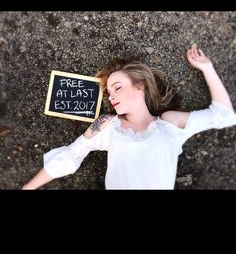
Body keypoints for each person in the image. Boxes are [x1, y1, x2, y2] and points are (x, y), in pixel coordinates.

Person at [22, 46, 236, 190]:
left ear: (139, 86)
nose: (112, 96)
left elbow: (224, 115)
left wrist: (207, 68)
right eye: (109, 93)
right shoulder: (107, 125)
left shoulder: (171, 123)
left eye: (117, 88)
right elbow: (70, 156)